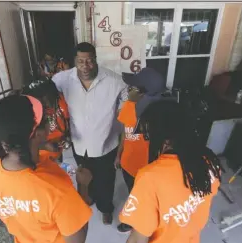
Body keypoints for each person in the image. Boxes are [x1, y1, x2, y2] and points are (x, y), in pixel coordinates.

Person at [0, 95, 92, 243]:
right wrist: (83, 187)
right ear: (39, 134)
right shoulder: (57, 190)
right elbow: (76, 242)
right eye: (46, 119)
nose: (49, 123)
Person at [119, 99, 222, 243]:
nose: (147, 140)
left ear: (164, 139)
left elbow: (138, 242)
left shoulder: (150, 177)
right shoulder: (209, 162)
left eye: (148, 135)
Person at [52, 42, 128, 225]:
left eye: (89, 61)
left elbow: (128, 109)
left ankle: (106, 208)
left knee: (106, 181)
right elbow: (50, 97)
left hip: (105, 144)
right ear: (75, 61)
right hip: (78, 144)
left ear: (95, 60)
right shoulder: (62, 80)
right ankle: (90, 198)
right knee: (85, 175)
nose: (85, 66)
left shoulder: (115, 82)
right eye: (80, 61)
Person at [115, 68, 166, 233]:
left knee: (144, 198)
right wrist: (118, 155)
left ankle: (137, 222)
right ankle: (136, 218)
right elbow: (124, 133)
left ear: (143, 93)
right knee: (133, 193)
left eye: (133, 88)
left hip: (147, 168)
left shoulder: (158, 114)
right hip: (128, 162)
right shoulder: (130, 106)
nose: (129, 91)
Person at [22, 78, 71, 161]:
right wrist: (44, 146)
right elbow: (21, 144)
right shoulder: (27, 114)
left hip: (57, 154)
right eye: (39, 100)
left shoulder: (61, 103)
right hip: (37, 158)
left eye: (46, 99)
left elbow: (67, 124)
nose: (44, 104)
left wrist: (65, 139)